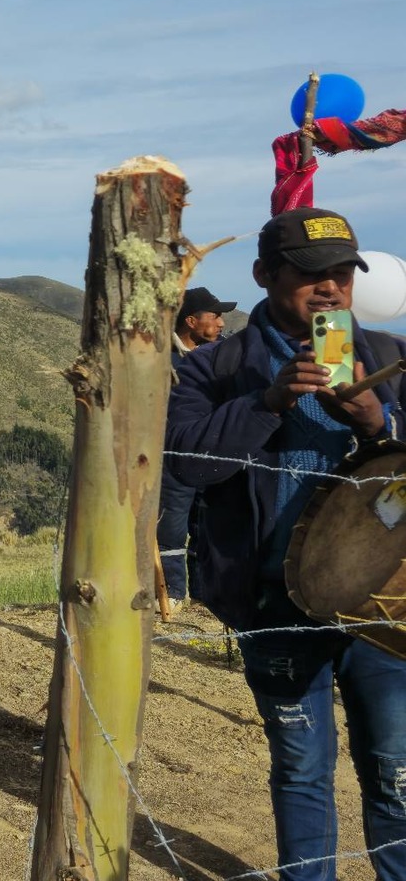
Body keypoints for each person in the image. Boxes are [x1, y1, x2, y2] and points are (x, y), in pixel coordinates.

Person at [167, 207, 405, 881]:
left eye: (343, 274)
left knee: (395, 769)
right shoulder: (215, 367)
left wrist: (378, 423)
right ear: (264, 275)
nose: (330, 287)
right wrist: (266, 402)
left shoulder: (390, 359)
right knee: (302, 768)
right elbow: (186, 464)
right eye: (310, 273)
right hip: (273, 602)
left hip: (385, 606)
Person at [156, 285, 236, 604]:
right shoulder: (159, 359)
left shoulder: (225, 356)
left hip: (213, 455)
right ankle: (172, 595)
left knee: (208, 527)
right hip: (172, 457)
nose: (221, 323)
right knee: (171, 528)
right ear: (191, 321)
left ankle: (205, 598)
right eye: (214, 316)